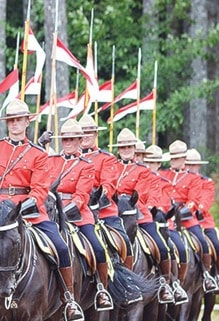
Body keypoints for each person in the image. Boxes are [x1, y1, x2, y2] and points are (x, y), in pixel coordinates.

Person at [0, 99, 85, 321]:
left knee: (61, 248)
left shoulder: (37, 153)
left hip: (29, 214)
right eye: (11, 120)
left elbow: (39, 189)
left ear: (27, 122)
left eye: (19, 120)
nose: (15, 124)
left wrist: (24, 207)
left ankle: (68, 299)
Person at [48, 119, 113, 311]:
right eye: (65, 139)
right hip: (51, 210)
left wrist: (65, 212)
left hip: (77, 214)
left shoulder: (86, 165)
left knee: (98, 248)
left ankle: (102, 288)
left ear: (78, 140)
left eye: (72, 139)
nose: (68, 143)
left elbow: (82, 195)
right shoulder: (52, 161)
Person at [110, 128, 174, 304]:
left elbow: (142, 195)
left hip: (137, 214)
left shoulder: (143, 171)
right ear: (118, 149)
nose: (126, 150)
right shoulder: (112, 167)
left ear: (134, 149)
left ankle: (164, 283)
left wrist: (124, 199)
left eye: (129, 147)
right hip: (114, 214)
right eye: (123, 147)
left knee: (160, 246)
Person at [160, 140, 219, 293]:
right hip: (166, 215)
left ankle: (207, 275)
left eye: (177, 158)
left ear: (184, 159)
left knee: (202, 241)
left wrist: (180, 213)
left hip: (186, 216)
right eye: (172, 158)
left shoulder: (193, 178)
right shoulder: (163, 174)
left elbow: (193, 200)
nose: (173, 161)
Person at [78, 114, 134, 269]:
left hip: (102, 210)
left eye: (90, 132)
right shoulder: (70, 158)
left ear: (96, 134)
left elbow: (108, 184)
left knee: (124, 243)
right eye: (82, 132)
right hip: (74, 210)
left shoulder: (106, 158)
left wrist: (100, 199)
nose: (86, 136)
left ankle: (129, 283)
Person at [142, 145, 189, 303]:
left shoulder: (164, 182)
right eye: (147, 161)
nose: (150, 165)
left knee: (179, 248)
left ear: (159, 164)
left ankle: (174, 283)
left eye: (154, 162)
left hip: (161, 223)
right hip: (139, 220)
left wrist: (157, 210)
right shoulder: (139, 177)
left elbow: (166, 204)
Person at [185, 148, 219, 292]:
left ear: (199, 166)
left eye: (193, 165)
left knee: (217, 245)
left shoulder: (206, 182)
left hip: (203, 221)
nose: (190, 167)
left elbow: (206, 200)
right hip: (182, 220)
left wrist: (198, 209)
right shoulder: (182, 180)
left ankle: (218, 277)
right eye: (188, 164)